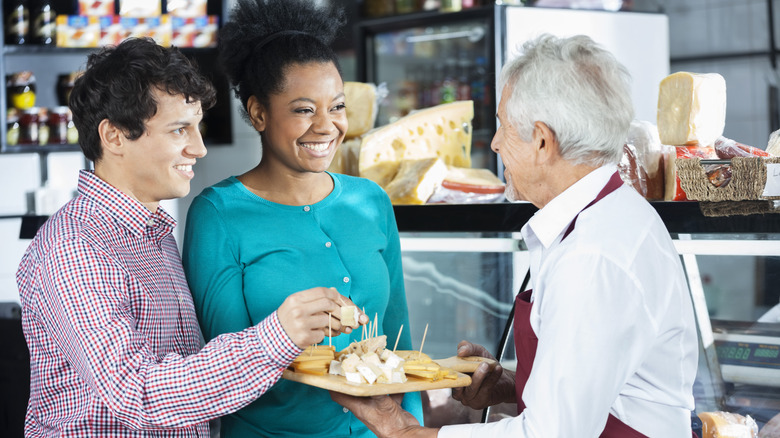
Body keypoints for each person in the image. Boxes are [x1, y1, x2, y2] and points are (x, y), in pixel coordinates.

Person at [332, 34, 699, 438]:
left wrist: (403, 430)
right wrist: (510, 383)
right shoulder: (602, 215)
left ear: (542, 141)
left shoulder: (592, 257)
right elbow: (598, 381)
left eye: (504, 127)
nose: (493, 144)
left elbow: (551, 434)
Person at [15, 37, 365, 437]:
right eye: (180, 129)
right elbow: (137, 394)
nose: (198, 148)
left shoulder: (152, 232)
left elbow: (186, 379)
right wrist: (277, 336)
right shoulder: (75, 248)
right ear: (113, 137)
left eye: (196, 127)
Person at [181, 0, 423, 437]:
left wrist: (412, 429)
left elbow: (400, 343)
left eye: (337, 106)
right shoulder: (218, 215)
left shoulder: (372, 201)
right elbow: (222, 369)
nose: (327, 126)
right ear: (258, 112)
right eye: (304, 109)